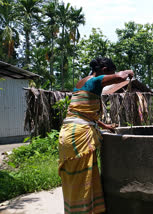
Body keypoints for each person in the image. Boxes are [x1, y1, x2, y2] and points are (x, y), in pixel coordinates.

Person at [58, 57, 133, 214]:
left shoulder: (81, 83)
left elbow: (81, 112)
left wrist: (104, 126)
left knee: (76, 180)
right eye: (109, 74)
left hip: (68, 134)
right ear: (104, 70)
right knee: (82, 182)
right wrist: (128, 72)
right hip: (78, 138)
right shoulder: (95, 80)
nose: (110, 81)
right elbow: (120, 76)